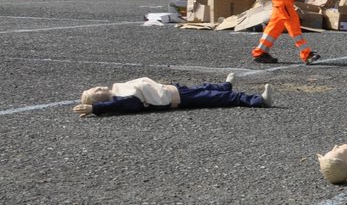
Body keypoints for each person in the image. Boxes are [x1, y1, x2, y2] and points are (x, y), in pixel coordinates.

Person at [73, 73, 269, 117]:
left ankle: (224, 85)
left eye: (94, 87)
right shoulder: (121, 99)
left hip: (172, 90)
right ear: (101, 101)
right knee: (216, 98)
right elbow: (125, 105)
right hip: (175, 99)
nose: (98, 88)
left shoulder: (117, 88)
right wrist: (95, 109)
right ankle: (257, 100)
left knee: (203, 88)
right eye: (95, 93)